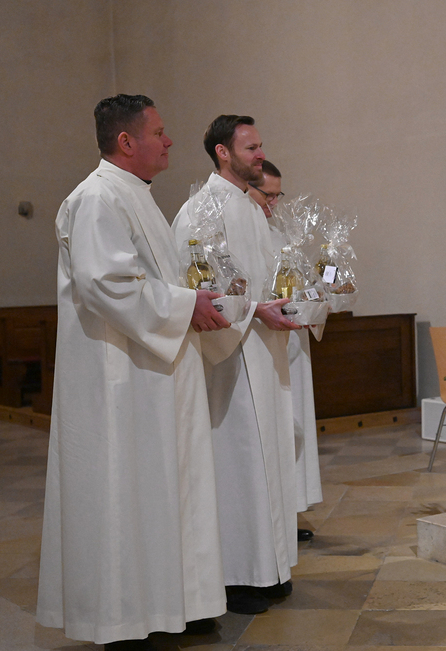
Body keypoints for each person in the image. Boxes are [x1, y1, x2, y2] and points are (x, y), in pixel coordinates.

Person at [37, 95, 231, 650]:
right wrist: (185, 305)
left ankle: (179, 603)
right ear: (126, 141)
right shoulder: (96, 197)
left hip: (155, 372)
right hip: (120, 378)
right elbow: (105, 284)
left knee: (168, 488)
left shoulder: (136, 195)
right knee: (126, 492)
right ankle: (125, 619)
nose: (169, 141)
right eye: (159, 132)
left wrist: (193, 297)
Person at [172, 115, 301, 616]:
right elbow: (196, 284)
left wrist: (296, 297)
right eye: (250, 147)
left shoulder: (250, 207)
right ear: (222, 152)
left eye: (261, 145)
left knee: (269, 459)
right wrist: (253, 311)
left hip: (264, 350)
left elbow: (266, 278)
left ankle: (269, 568)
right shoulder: (200, 209)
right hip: (231, 356)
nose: (260, 154)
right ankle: (236, 576)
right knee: (239, 462)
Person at [249, 160, 323, 540]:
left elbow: (307, 286)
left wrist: (318, 300)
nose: (274, 204)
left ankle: (288, 514)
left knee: (292, 430)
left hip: (292, 345)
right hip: (259, 345)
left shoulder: (281, 237)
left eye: (279, 196)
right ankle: (265, 521)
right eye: (268, 195)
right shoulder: (237, 232)